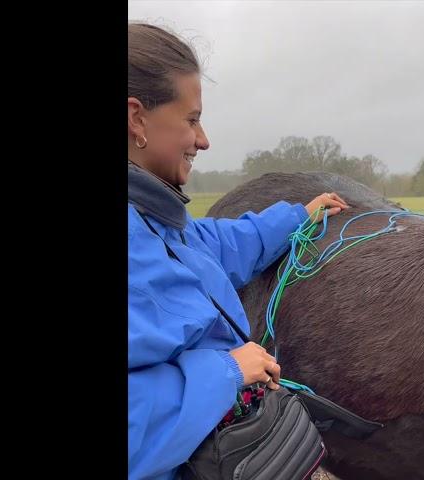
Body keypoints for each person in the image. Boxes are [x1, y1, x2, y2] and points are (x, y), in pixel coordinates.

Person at [127, 22, 349, 480]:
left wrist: (296, 217)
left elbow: (216, 245)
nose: (203, 140)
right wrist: (226, 372)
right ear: (136, 119)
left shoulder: (154, 221)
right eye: (191, 120)